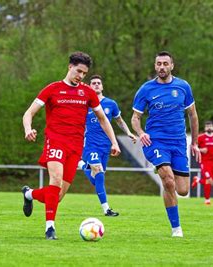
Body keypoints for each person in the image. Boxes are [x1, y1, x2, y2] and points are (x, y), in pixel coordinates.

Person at [21, 52, 121, 240]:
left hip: (75, 147)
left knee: (56, 196)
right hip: (55, 141)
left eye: (84, 73)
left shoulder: (88, 93)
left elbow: (103, 119)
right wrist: (28, 129)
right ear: (70, 67)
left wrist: (114, 142)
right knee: (55, 180)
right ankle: (49, 228)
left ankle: (29, 194)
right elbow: (29, 113)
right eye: (78, 71)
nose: (81, 76)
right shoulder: (52, 89)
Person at [131, 51, 201, 238]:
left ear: (172, 66)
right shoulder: (146, 89)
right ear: (155, 66)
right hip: (155, 141)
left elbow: (193, 115)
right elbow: (135, 117)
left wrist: (194, 143)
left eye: (165, 63)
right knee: (168, 180)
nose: (161, 67)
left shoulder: (183, 87)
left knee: (183, 190)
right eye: (158, 64)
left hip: (178, 142)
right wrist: (141, 132)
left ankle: (164, 170)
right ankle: (176, 229)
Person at [78, 74, 137, 217]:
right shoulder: (84, 104)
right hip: (90, 144)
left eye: (99, 82)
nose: (97, 85)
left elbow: (119, 121)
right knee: (98, 171)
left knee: (98, 177)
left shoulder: (111, 104)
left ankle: (82, 166)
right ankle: (106, 209)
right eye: (93, 83)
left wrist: (128, 132)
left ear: (102, 86)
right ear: (90, 86)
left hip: (106, 146)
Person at [191, 121, 213, 205]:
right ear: (205, 128)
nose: (209, 127)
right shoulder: (201, 137)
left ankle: (197, 181)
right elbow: (193, 147)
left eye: (210, 126)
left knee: (211, 182)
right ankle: (207, 200)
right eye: (207, 126)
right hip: (204, 162)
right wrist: (201, 150)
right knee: (209, 180)